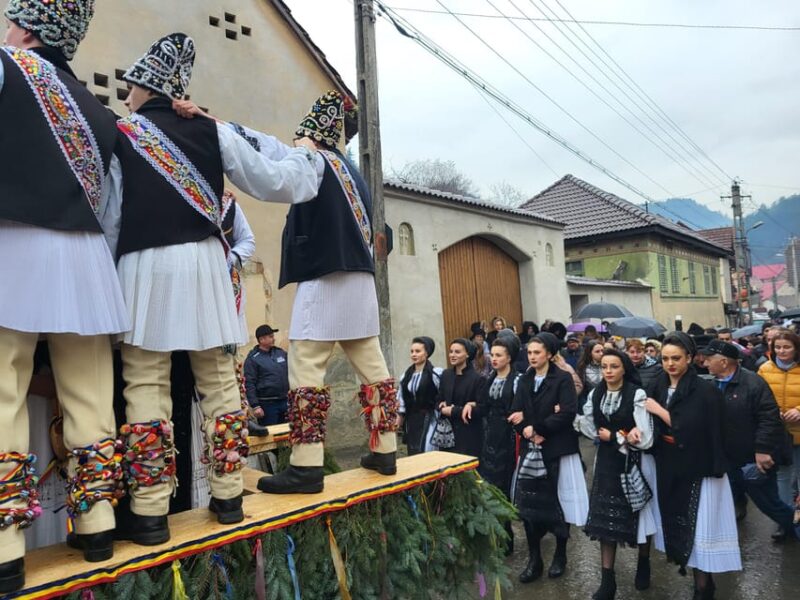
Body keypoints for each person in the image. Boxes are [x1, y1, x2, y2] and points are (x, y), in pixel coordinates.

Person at [113, 33, 321, 542]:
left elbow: (111, 214)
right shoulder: (212, 131)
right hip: (206, 265)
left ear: (147, 87)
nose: (126, 97)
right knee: (219, 384)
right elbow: (276, 182)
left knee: (145, 383)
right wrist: (307, 155)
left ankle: (150, 511)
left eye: (131, 87)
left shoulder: (121, 134)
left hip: (143, 265)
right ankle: (227, 495)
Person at [0, 0, 130, 586]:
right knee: (90, 393)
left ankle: (4, 550)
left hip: (14, 243)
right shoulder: (100, 113)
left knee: (3, 387)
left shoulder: (7, 64)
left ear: (27, 28)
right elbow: (112, 207)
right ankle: (98, 527)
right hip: (83, 256)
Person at [241, 91, 399, 494]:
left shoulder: (313, 161)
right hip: (361, 277)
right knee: (372, 365)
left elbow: (280, 165)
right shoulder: (352, 171)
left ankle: (306, 466)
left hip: (325, 275)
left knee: (306, 368)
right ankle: (386, 450)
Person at [645, 332, 741, 599]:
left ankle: (703, 585)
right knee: (679, 523)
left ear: (689, 357)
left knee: (700, 526)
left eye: (676, 358)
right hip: (668, 464)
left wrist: (659, 411)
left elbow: (696, 429)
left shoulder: (705, 390)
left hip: (699, 467)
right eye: (665, 358)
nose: (670, 364)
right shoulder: (657, 386)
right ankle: (698, 580)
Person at [575, 349, 660, 599]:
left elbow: (644, 440)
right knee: (606, 520)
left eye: (614, 366)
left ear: (624, 368)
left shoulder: (637, 394)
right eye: (604, 366)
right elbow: (591, 430)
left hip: (635, 462)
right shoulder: (596, 393)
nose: (608, 371)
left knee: (638, 515)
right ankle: (607, 580)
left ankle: (643, 563)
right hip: (608, 462)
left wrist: (615, 436)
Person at [509, 332, 588, 584]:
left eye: (537, 352)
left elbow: (567, 412)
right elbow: (515, 413)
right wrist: (526, 430)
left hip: (557, 449)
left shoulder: (562, 378)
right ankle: (534, 560)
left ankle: (560, 554)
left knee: (559, 503)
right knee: (529, 505)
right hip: (531, 450)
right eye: (529, 352)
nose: (532, 357)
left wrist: (538, 428)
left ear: (550, 354)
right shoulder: (524, 380)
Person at [700, 339, 796, 537]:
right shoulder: (711, 384)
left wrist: (762, 450)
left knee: (767, 502)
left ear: (724, 362)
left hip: (752, 458)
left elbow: (769, 419)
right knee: (731, 497)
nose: (705, 363)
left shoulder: (752, 383)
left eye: (709, 359)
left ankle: (793, 524)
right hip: (727, 457)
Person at [463, 336, 522, 553]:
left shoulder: (518, 380)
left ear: (509, 357)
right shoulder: (490, 379)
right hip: (490, 437)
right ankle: (495, 532)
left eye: (499, 355)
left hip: (509, 436)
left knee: (506, 486)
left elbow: (522, 406)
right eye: (493, 355)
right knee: (490, 486)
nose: (494, 359)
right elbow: (484, 407)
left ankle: (507, 534)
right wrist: (470, 406)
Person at [758, 329, 800, 540]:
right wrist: (774, 412)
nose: (782, 351)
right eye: (778, 347)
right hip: (778, 434)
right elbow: (757, 398)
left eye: (787, 347)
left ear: (796, 348)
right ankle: (785, 521)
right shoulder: (764, 369)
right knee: (782, 478)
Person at [437, 339, 484, 457]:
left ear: (467, 354)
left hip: (468, 433)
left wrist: (454, 411)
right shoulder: (446, 375)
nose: (452, 355)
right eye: (451, 351)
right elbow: (438, 398)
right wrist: (441, 405)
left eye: (457, 352)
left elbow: (481, 408)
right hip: (447, 433)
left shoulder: (478, 379)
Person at [397, 336, 443, 455]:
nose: (414, 354)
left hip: (430, 418)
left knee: (427, 449)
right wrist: (398, 421)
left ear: (426, 353)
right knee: (413, 450)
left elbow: (443, 395)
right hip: (412, 420)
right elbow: (401, 401)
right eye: (412, 351)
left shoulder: (436, 374)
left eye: (418, 351)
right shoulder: (406, 377)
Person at [244, 325, 289, 427]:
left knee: (287, 435)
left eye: (272, 336)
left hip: (285, 401)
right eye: (271, 336)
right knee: (270, 435)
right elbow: (249, 383)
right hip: (267, 405)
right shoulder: (253, 359)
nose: (274, 338)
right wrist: (255, 406)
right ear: (262, 339)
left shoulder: (280, 353)